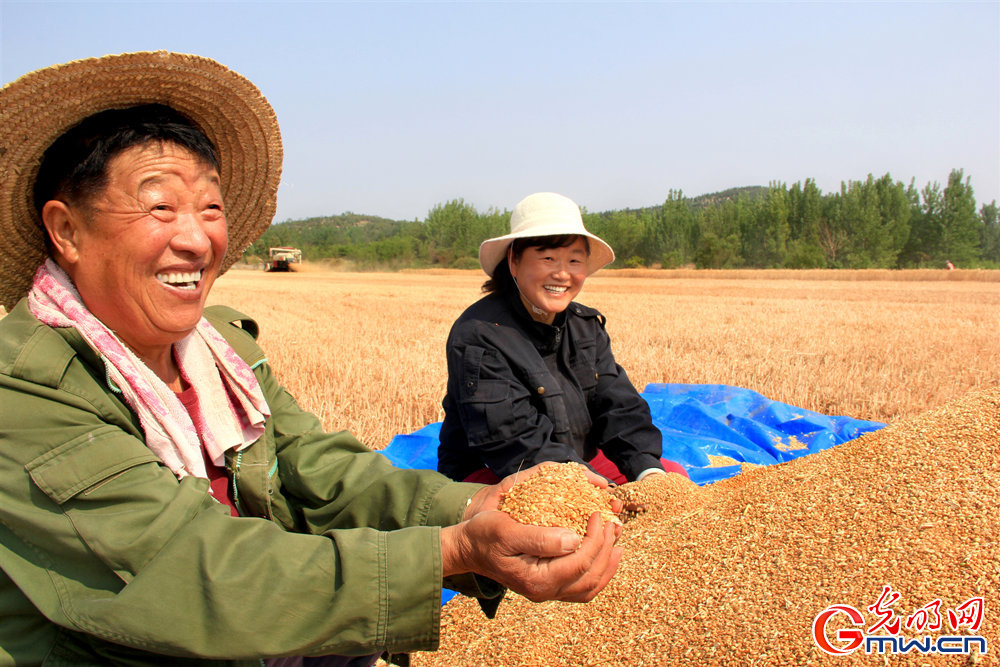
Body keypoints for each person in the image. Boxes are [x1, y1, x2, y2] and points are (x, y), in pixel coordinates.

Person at [0, 53, 623, 666]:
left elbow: (313, 464)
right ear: (68, 231)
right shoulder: (23, 390)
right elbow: (187, 567)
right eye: (160, 207)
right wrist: (452, 552)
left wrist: (472, 507)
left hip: (271, 626)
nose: (195, 239)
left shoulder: (219, 349)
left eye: (210, 208)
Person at [438, 192, 690, 486]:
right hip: (500, 469)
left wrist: (646, 469)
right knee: (570, 523)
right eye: (547, 258)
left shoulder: (585, 326)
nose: (562, 274)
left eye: (574, 260)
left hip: (579, 460)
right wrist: (584, 484)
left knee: (671, 479)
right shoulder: (479, 334)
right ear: (514, 262)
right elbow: (509, 440)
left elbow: (617, 404)